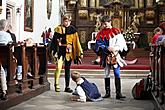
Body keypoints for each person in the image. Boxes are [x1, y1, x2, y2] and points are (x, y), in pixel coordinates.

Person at [95, 15, 127, 99]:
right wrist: (107, 48)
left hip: (115, 55)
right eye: (103, 24)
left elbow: (121, 42)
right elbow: (98, 44)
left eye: (106, 24)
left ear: (110, 22)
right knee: (106, 73)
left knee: (117, 73)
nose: (105, 26)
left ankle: (118, 93)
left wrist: (115, 49)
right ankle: (107, 93)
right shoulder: (100, 33)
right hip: (105, 55)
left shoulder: (116, 31)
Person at [50, 15, 83, 93]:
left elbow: (76, 42)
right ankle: (56, 84)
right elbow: (54, 41)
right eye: (65, 21)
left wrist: (79, 52)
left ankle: (67, 86)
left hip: (69, 51)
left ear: (70, 21)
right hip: (60, 50)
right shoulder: (58, 29)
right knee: (58, 67)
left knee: (67, 69)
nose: (67, 23)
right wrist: (53, 50)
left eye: (68, 21)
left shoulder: (73, 30)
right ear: (63, 21)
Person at [0, 19, 13, 100]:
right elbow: (11, 47)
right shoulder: (7, 35)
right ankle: (4, 91)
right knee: (1, 71)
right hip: (5, 58)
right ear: (5, 26)